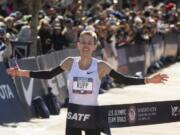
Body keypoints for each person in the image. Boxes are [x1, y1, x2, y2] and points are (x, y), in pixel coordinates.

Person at [6, 30, 168, 135]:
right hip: (74, 115)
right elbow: (49, 74)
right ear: (78, 44)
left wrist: (148, 80)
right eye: (83, 41)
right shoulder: (70, 62)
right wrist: (20, 73)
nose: (86, 45)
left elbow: (123, 79)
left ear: (94, 46)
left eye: (90, 42)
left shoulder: (101, 66)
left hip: (93, 115)